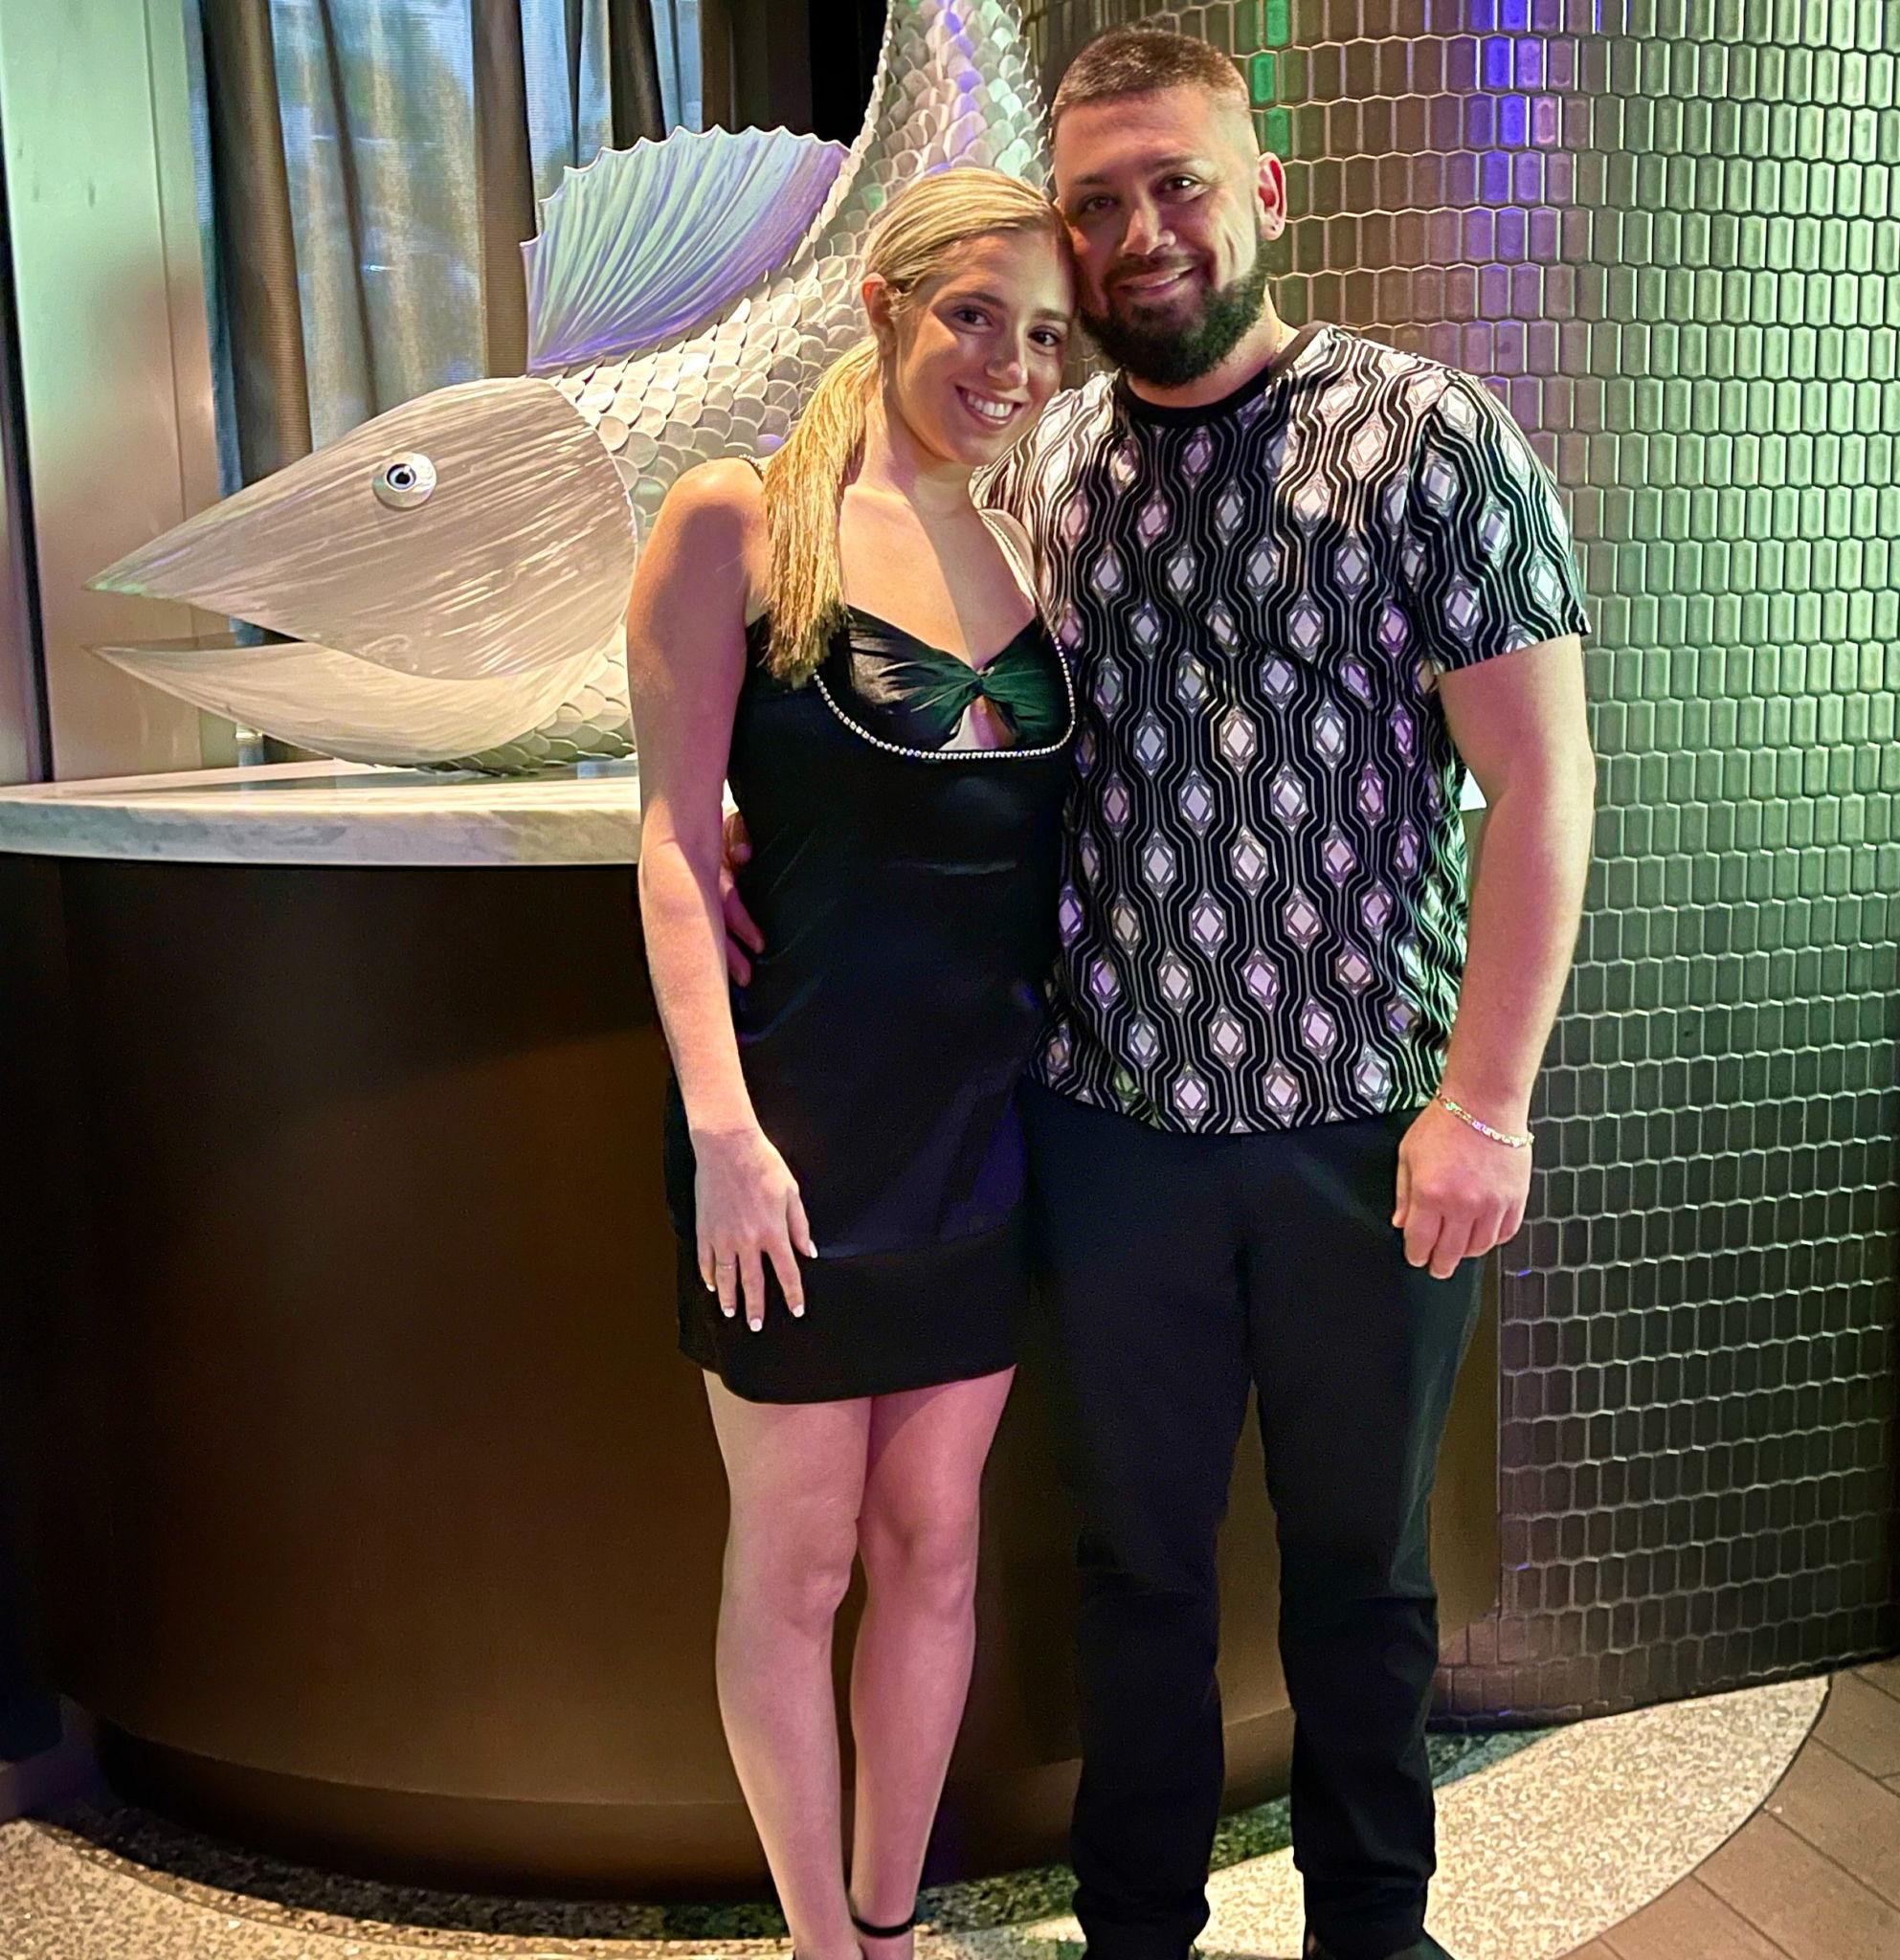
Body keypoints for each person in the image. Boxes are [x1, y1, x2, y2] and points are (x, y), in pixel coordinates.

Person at [729, 27, 1594, 1960]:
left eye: (1176, 185)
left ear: (1260, 191)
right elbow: (894, 676)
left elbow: (1545, 781)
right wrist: (731, 805)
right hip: (1105, 1124)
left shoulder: (1428, 438)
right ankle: (1135, 1931)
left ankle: (1375, 1931)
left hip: (1366, 1128)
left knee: (1360, 1577)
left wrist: (1486, 1104)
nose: (1141, 234)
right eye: (1099, 202)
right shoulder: (1042, 470)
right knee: (1133, 1570)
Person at [626, 167, 1076, 1960]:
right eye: (974, 314)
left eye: (1044, 333)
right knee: (800, 1560)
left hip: (986, 1133)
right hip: (794, 1134)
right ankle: (823, 1945)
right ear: (882, 304)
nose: (1009, 362)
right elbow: (674, 844)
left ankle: (890, 1929)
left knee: (934, 1544)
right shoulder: (736, 519)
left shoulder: (1033, 546)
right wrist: (723, 1133)